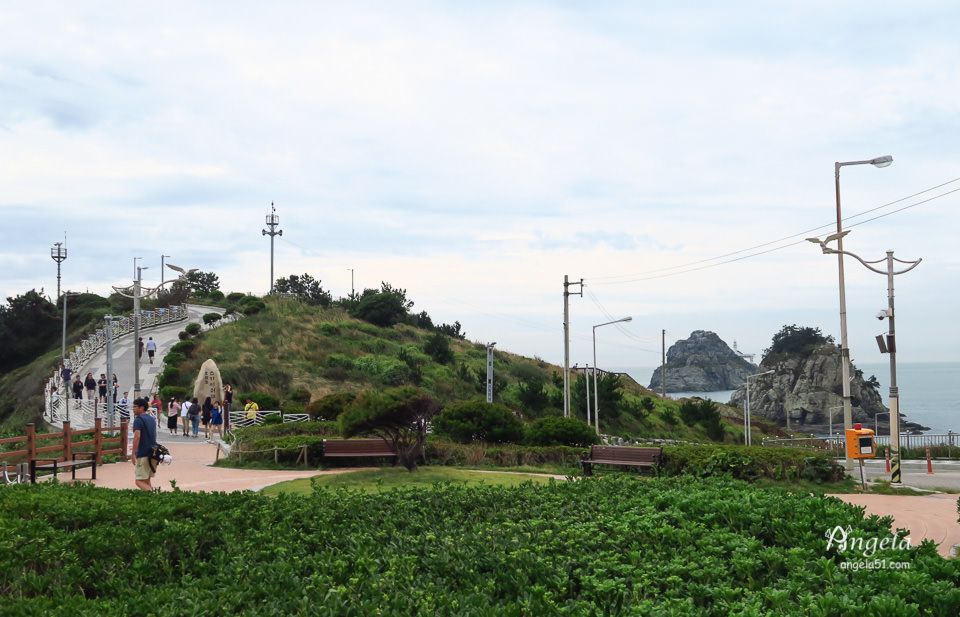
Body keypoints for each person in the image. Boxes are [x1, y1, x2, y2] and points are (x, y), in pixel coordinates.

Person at [131, 397, 158, 491]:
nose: (133, 409)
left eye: (135, 407)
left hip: (143, 453)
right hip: (153, 453)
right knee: (146, 480)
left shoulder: (138, 420)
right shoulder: (152, 419)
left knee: (138, 481)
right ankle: (152, 502)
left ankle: (154, 497)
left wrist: (133, 453)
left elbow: (137, 436)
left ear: (141, 408)